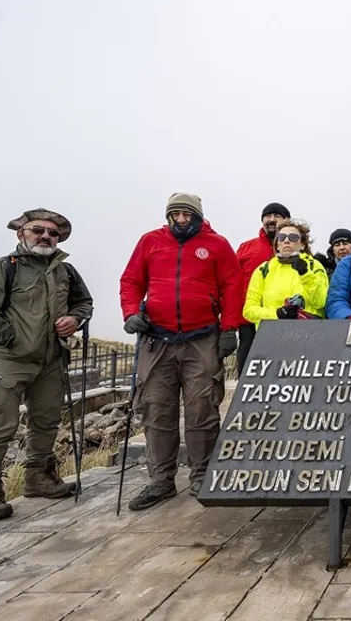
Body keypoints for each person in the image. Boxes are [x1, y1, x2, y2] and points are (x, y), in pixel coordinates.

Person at [0, 208, 94, 521]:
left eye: (52, 232)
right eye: (38, 230)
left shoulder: (67, 271)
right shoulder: (0, 269)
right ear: (21, 233)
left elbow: (84, 303)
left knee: (46, 421)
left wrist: (73, 320)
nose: (46, 236)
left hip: (51, 361)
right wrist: (14, 339)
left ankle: (39, 477)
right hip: (7, 361)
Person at [119, 193, 244, 508]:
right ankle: (161, 481)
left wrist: (229, 328)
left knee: (202, 408)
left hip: (202, 337)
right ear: (168, 216)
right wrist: (131, 312)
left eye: (188, 214)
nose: (182, 219)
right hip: (157, 339)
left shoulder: (217, 245)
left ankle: (203, 475)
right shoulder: (150, 242)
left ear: (198, 216)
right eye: (176, 214)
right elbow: (131, 280)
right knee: (156, 409)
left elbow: (233, 285)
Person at [233, 202, 290, 382]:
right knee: (249, 374)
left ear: (287, 220)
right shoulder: (246, 248)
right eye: (268, 216)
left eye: (277, 216)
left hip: (285, 321)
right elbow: (232, 284)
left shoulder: (295, 249)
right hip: (249, 322)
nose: (272, 220)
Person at [243, 218, 329, 326]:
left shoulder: (314, 266)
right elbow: (248, 311)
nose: (286, 241)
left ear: (303, 244)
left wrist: (306, 274)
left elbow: (321, 302)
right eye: (281, 237)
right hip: (273, 335)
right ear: (277, 245)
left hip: (308, 333)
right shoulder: (263, 269)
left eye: (293, 237)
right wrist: (277, 314)